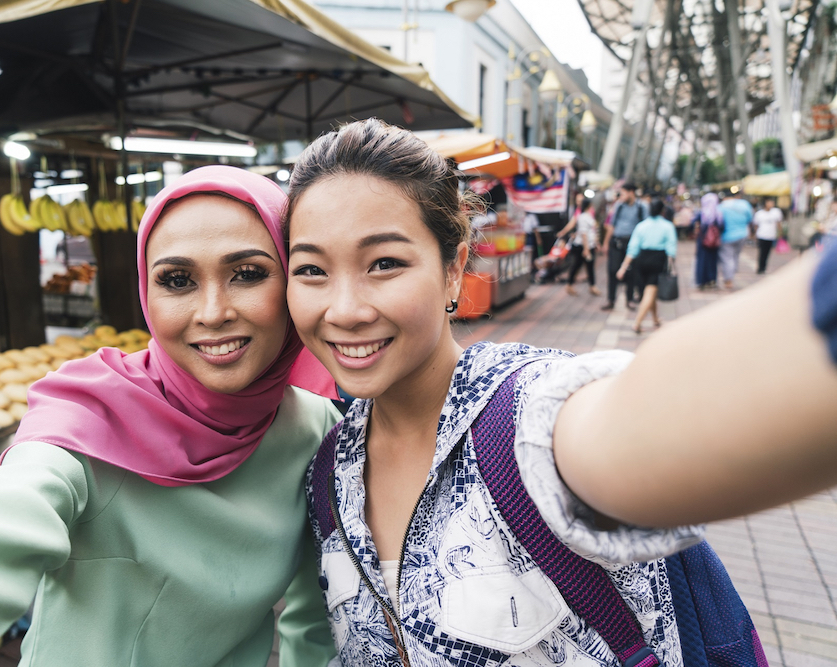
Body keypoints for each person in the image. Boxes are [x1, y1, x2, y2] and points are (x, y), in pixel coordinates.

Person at [283, 119, 837, 667]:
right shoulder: (329, 468)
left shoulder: (525, 418)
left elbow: (641, 419)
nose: (345, 309)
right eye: (311, 269)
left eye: (385, 263)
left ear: (454, 270)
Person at [0, 166, 342, 667]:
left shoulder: (313, 428)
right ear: (147, 292)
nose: (212, 312)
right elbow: (8, 509)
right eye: (178, 280)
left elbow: (315, 614)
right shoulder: (91, 416)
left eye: (248, 273)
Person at [616, 199, 677, 334]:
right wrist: (672, 266)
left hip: (641, 261)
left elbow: (632, 248)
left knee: (649, 293)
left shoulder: (641, 226)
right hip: (658, 260)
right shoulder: (667, 226)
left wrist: (623, 267)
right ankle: (637, 323)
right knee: (650, 292)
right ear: (663, 211)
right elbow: (671, 249)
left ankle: (655, 319)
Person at [600, 181, 647, 311]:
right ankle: (610, 299)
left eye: (623, 193)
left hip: (632, 243)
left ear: (631, 192)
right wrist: (605, 243)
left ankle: (630, 299)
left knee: (631, 272)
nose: (621, 196)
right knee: (612, 270)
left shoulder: (641, 207)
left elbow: (645, 227)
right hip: (616, 241)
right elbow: (611, 226)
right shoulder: (619, 206)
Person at [557, 198, 601, 297]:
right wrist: (586, 249)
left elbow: (591, 232)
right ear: (589, 205)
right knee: (578, 266)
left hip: (588, 245)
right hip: (582, 246)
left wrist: (595, 243)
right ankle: (576, 285)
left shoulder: (588, 216)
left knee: (582, 266)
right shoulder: (582, 217)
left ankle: (587, 286)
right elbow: (584, 233)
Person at [717, 192, 754, 289]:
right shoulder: (744, 204)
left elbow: (718, 221)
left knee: (727, 258)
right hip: (742, 235)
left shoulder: (722, 205)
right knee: (735, 255)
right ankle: (733, 271)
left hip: (727, 236)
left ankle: (729, 280)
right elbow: (750, 218)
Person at [693, 192, 723, 289]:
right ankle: (712, 280)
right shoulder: (719, 214)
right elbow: (722, 227)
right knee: (712, 261)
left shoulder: (702, 213)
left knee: (702, 261)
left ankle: (701, 281)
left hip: (702, 241)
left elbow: (692, 223)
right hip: (714, 242)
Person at [753, 198, 784, 274]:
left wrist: (780, 233)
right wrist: (754, 235)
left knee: (767, 253)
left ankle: (764, 268)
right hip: (761, 235)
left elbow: (778, 223)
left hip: (771, 235)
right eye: (769, 203)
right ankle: (760, 268)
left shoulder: (776, 212)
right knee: (761, 252)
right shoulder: (759, 214)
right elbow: (756, 225)